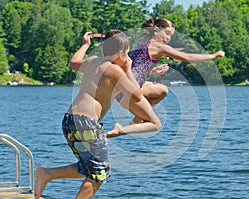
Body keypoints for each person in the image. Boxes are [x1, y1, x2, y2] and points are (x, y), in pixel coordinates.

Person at [34, 30, 161, 199]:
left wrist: (85, 45)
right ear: (121, 53)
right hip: (86, 124)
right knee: (100, 172)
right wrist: (128, 69)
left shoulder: (92, 61)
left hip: (70, 122)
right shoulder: (115, 70)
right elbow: (136, 95)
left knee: (90, 167)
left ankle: (47, 174)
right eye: (127, 53)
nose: (128, 57)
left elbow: (73, 62)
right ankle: (47, 175)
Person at [120, 18, 225, 123]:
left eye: (171, 35)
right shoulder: (159, 47)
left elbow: (134, 68)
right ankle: (138, 118)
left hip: (120, 89)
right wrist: (213, 56)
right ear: (156, 30)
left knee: (153, 84)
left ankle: (139, 117)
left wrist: (152, 71)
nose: (168, 38)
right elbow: (187, 57)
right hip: (128, 92)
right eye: (167, 33)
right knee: (163, 90)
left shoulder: (142, 43)